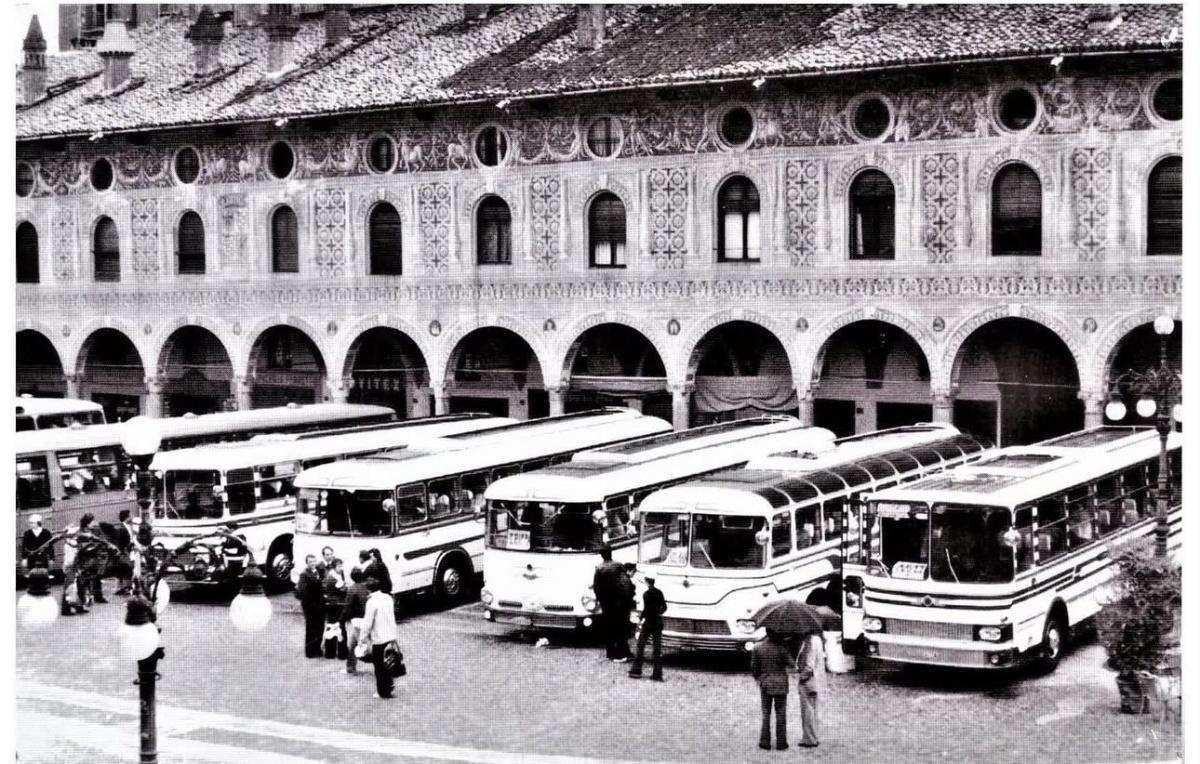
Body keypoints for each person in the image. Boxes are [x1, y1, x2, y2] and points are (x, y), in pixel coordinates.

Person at [751, 630, 792, 751]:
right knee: (781, 713)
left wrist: (759, 678)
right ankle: (781, 742)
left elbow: (754, 667)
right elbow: (791, 664)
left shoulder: (758, 647)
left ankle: (764, 741)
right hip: (781, 684)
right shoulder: (782, 648)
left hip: (765, 683)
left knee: (766, 713)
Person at [360, 577, 398, 699]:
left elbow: (367, 622)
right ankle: (389, 685)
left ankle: (383, 691)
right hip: (391, 634)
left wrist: (363, 638)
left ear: (368, 589)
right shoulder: (387, 598)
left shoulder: (371, 602)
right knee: (390, 660)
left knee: (379, 666)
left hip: (379, 637)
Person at [592, 547, 631, 662]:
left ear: (601, 555)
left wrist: (599, 599)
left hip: (606, 602)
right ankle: (623, 650)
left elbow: (596, 586)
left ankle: (610, 652)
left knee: (609, 626)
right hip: (619, 601)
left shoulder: (599, 568)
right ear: (611, 553)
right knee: (621, 625)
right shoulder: (618, 566)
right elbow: (625, 583)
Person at [628, 574, 666, 681]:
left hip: (649, 623)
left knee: (641, 645)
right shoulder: (659, 592)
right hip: (658, 622)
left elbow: (646, 609)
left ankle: (636, 670)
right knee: (657, 649)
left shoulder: (646, 594)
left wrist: (641, 618)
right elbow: (664, 607)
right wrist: (658, 613)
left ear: (647, 582)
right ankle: (657, 674)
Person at [796, 630, 825, 748]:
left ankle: (809, 738)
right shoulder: (817, 640)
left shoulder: (809, 642)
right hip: (816, 680)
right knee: (813, 710)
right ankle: (813, 736)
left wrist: (801, 678)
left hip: (809, 681)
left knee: (807, 711)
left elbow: (809, 665)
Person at [295, 554, 326, 658]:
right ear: (307, 563)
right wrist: (311, 604)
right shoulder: (304, 574)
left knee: (319, 627)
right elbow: (303, 592)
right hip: (310, 605)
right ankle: (310, 651)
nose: (313, 563)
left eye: (314, 561)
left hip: (319, 604)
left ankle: (317, 649)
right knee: (311, 628)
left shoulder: (317, 572)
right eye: (310, 562)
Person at [341, 566, 370, 674]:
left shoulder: (352, 589)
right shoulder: (366, 587)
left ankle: (351, 667)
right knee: (366, 642)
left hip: (354, 620)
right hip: (366, 618)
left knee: (352, 644)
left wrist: (342, 620)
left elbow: (347, 607)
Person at [322, 558, 348, 659]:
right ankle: (342, 653)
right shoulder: (334, 577)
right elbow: (343, 589)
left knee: (331, 626)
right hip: (337, 604)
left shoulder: (331, 575)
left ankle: (330, 652)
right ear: (334, 567)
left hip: (331, 604)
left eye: (342, 566)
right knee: (340, 627)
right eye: (339, 566)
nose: (341, 568)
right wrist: (345, 587)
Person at [113, 510, 134, 595]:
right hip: (124, 552)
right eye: (130, 515)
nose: (132, 517)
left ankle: (122, 587)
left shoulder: (127, 527)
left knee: (124, 569)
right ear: (127, 517)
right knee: (126, 568)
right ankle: (124, 587)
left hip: (127, 551)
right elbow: (120, 542)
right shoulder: (122, 529)